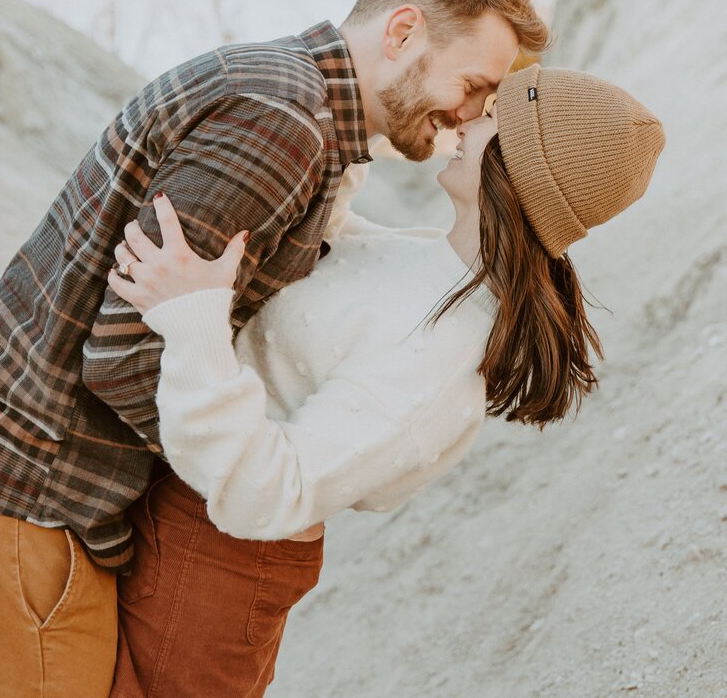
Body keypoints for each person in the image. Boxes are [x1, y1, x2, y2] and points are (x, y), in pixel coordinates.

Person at [0, 0, 548, 697]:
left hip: (42, 485)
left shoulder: (296, 107)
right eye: (476, 84)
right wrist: (235, 477)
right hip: (23, 487)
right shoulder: (281, 124)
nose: (472, 114)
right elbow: (124, 352)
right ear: (403, 31)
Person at [106, 65, 665, 696]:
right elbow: (339, 250)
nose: (468, 118)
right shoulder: (433, 264)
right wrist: (360, 128)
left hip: (219, 558)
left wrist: (193, 320)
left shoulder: (440, 352)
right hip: (175, 511)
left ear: (517, 171)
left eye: (491, 120)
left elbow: (271, 492)